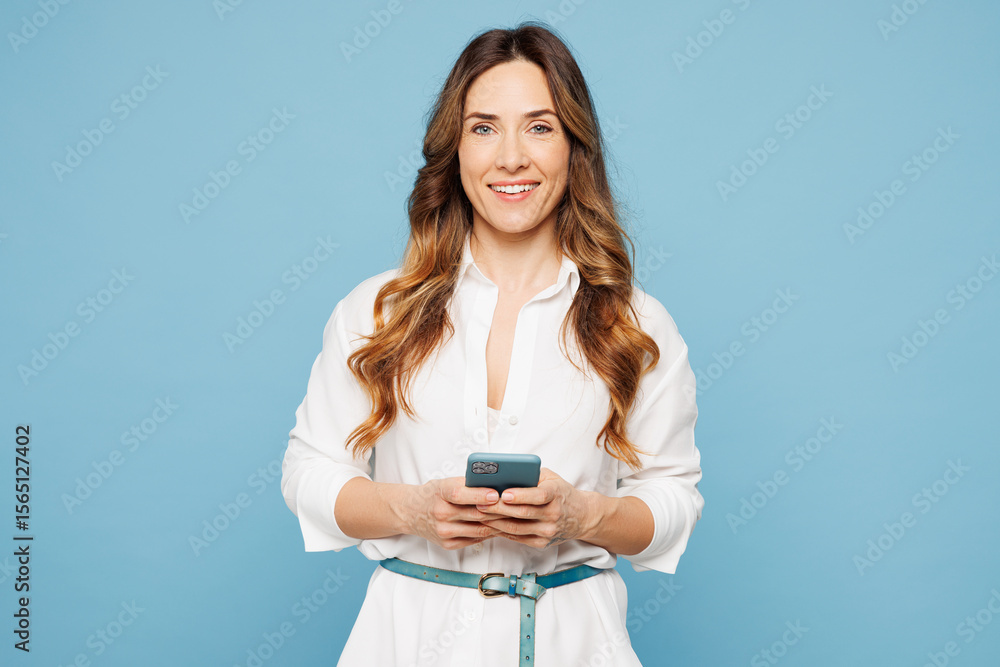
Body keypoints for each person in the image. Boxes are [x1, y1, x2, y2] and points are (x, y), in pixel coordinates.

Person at [281, 22, 703, 667]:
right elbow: (309, 474)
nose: (511, 157)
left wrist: (582, 516)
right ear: (454, 149)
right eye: (483, 128)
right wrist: (412, 509)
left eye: (540, 126)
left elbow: (672, 499)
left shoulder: (636, 324)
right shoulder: (376, 311)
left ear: (574, 148)